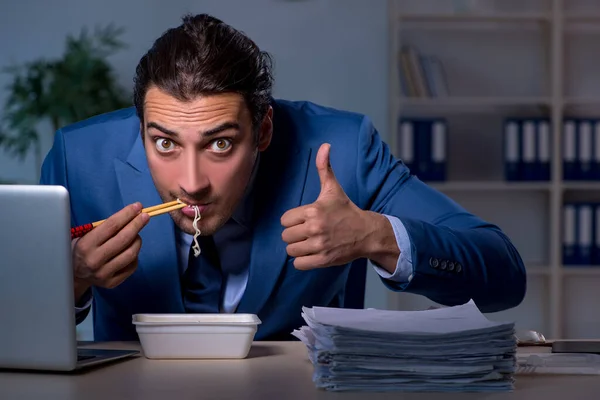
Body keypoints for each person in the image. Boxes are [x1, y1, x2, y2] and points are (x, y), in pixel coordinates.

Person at [40, 13, 526, 341]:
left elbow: (504, 277)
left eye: (221, 143)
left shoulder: (344, 150)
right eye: (165, 143)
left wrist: (376, 236)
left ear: (264, 129)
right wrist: (71, 278)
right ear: (141, 126)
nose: (191, 182)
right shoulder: (80, 159)